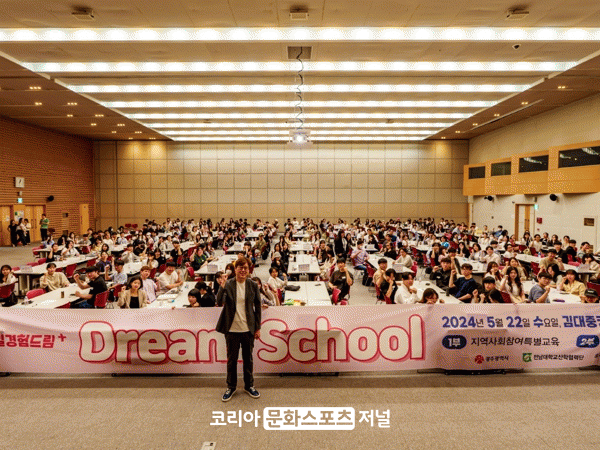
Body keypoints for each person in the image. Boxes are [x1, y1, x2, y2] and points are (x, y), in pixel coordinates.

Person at [216, 257, 262, 402]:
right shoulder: (229, 284)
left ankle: (249, 385)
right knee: (232, 360)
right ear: (235, 269)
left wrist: (258, 327)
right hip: (231, 329)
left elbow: (258, 307)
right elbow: (219, 302)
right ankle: (231, 387)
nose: (243, 270)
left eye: (245, 268)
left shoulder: (252, 285)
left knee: (248, 359)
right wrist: (222, 286)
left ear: (249, 270)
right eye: (240, 267)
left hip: (248, 329)